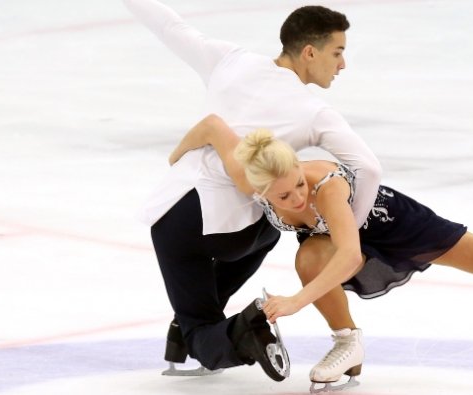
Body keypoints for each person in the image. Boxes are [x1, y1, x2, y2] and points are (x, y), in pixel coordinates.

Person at [170, 115, 473, 392]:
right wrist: (173, 162)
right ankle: (349, 342)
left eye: (298, 183)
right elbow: (213, 126)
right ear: (257, 191)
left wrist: (297, 303)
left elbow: (349, 256)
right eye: (283, 197)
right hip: (329, 245)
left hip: (391, 223)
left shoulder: (325, 187)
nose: (296, 198)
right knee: (307, 259)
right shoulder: (252, 175)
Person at [122, 0, 382, 379]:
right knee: (272, 224)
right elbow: (369, 169)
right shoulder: (314, 112)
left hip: (176, 216)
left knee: (201, 319)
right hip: (236, 229)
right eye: (337, 52)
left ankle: (208, 328)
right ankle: (227, 331)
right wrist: (340, 233)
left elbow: (170, 27)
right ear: (310, 52)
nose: (342, 63)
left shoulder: (231, 60)